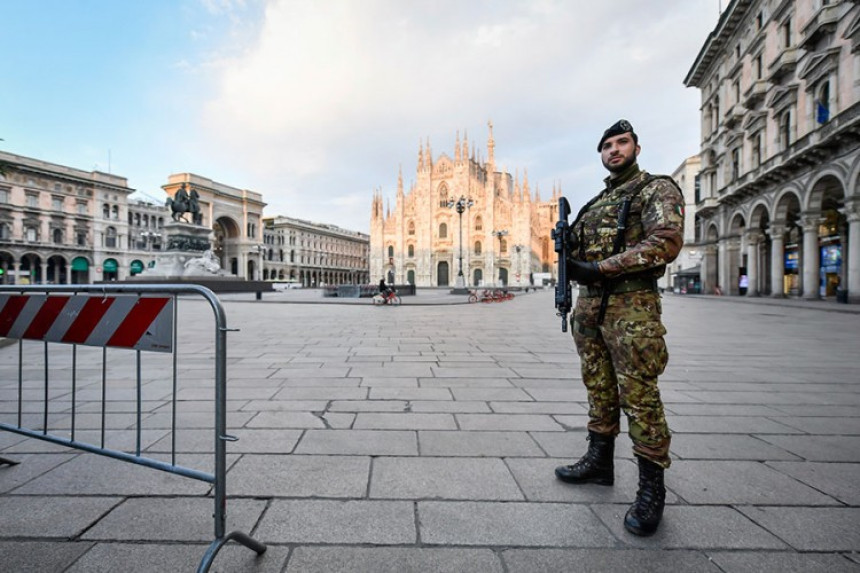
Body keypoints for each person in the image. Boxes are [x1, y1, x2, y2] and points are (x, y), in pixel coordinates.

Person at [554, 119, 684, 537]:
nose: (614, 150)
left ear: (636, 148)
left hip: (633, 309)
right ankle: (599, 462)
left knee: (640, 396)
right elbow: (576, 255)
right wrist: (564, 242)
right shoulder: (595, 204)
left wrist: (599, 268)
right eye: (607, 145)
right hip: (591, 311)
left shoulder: (656, 189)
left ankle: (651, 489)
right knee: (599, 388)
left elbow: (665, 241)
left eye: (621, 142)